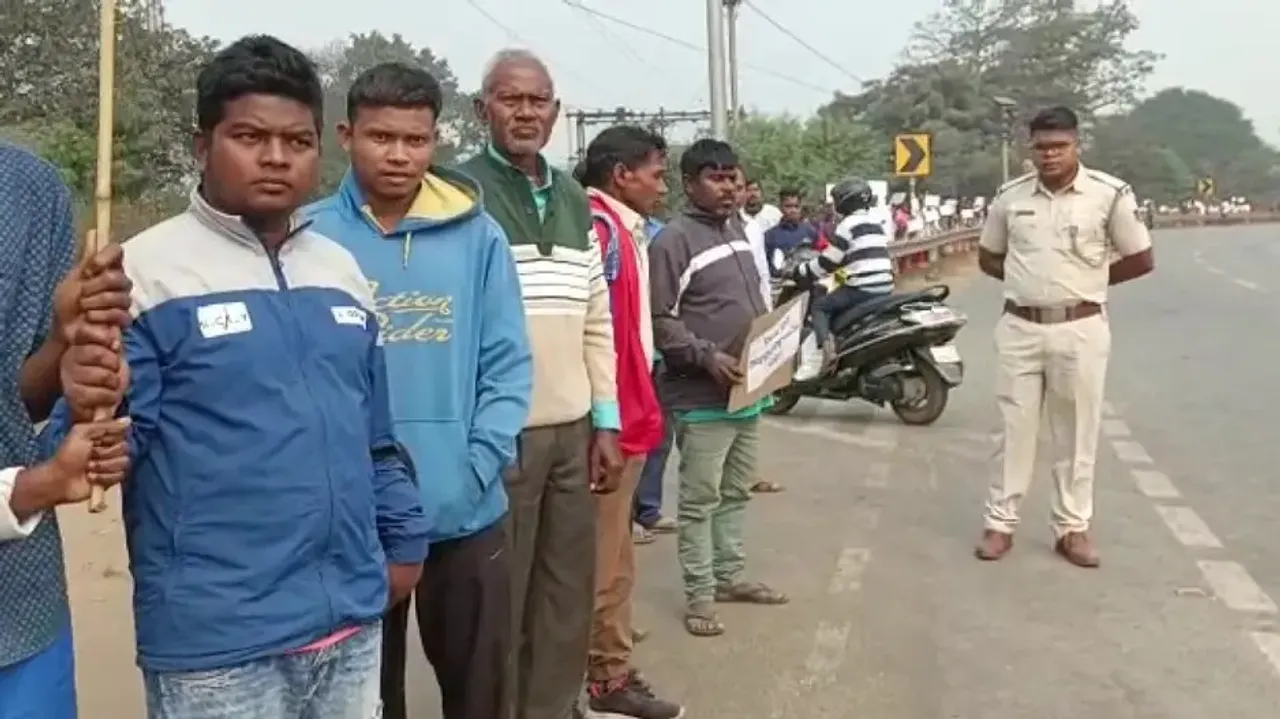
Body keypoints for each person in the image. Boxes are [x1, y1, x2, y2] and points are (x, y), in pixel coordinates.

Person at [51, 35, 431, 717]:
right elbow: (98, 451)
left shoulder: (341, 272)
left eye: (298, 140)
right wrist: (90, 397)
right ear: (203, 144)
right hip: (218, 644)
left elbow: (376, 436)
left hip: (348, 623)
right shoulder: (140, 276)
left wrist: (403, 543)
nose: (277, 157)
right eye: (250, 136)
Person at [304, 62, 532, 719]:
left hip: (464, 512)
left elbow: (507, 364)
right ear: (347, 135)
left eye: (416, 139)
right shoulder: (309, 237)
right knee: (367, 697)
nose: (399, 155)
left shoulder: (479, 237)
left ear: (436, 140)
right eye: (381, 137)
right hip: (351, 521)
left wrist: (473, 468)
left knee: (479, 692)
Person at [459, 48, 624, 719]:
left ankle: (551, 708)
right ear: (482, 109)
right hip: (500, 433)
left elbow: (595, 317)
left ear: (555, 113)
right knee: (499, 601)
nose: (525, 112)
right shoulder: (458, 190)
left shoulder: (573, 198)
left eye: (538, 101)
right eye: (510, 98)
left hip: (571, 430)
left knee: (563, 596)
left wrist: (605, 419)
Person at [974, 105, 1154, 567]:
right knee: (1012, 430)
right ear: (1029, 149)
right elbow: (989, 256)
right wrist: (1027, 283)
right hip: (1020, 327)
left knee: (1076, 433)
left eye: (1059, 146)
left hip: (1081, 328)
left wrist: (1086, 284)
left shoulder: (1108, 195)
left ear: (1078, 145)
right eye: (1041, 147)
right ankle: (1000, 524)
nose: (1050, 155)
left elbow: (1140, 258)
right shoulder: (1010, 197)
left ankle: (1072, 528)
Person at [0, 142, 134, 719]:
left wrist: (67, 348)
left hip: (21, 609)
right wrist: (38, 486)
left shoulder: (29, 187)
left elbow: (21, 399)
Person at [649, 139, 789, 639]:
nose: (729, 187)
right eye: (716, 177)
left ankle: (729, 576)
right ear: (690, 185)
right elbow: (660, 318)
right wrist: (706, 355)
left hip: (747, 390)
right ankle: (700, 594)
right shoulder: (673, 241)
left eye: (733, 176)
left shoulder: (737, 230)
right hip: (701, 395)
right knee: (699, 498)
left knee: (735, 492)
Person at [580, 125, 683, 719]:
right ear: (622, 175)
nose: (660, 184)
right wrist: (607, 422)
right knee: (602, 560)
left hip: (628, 409)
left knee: (616, 558)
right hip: (613, 419)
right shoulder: (600, 230)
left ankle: (608, 671)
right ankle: (601, 678)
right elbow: (598, 333)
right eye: (656, 172)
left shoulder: (623, 229)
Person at [792, 176, 894, 370]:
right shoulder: (875, 223)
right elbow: (855, 261)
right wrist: (828, 281)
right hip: (883, 284)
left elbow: (828, 262)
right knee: (824, 286)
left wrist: (800, 271)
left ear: (844, 201)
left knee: (820, 306)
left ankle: (826, 350)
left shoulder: (847, 225)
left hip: (862, 286)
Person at [733, 170, 773, 304]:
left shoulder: (753, 227)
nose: (734, 194)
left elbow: (762, 272)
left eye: (739, 189)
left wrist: (767, 307)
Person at [763, 188, 818, 275]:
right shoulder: (769, 236)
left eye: (796, 206)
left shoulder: (810, 231)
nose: (793, 210)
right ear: (780, 207)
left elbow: (823, 254)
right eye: (788, 206)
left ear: (801, 207)